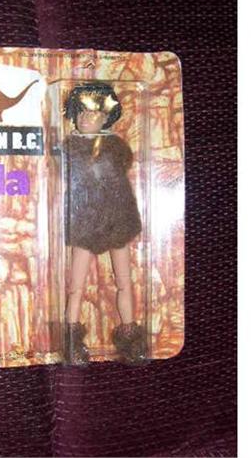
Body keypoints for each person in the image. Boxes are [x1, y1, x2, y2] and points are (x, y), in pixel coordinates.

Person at [63, 82, 146, 365]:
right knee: (76, 286)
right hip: (85, 221)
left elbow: (120, 170)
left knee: (124, 282)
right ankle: (71, 339)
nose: (87, 117)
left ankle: (130, 334)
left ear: (106, 117)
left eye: (95, 112)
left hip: (117, 218)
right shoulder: (70, 147)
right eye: (82, 112)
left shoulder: (115, 146)